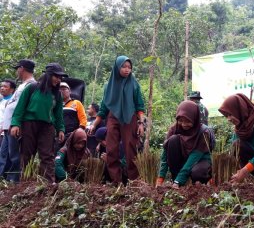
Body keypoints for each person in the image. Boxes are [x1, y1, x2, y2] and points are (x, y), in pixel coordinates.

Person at [89, 55, 146, 184]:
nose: (127, 70)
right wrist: (94, 124)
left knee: (130, 150)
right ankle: (116, 181)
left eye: (129, 67)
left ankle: (134, 182)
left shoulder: (134, 84)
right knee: (111, 150)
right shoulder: (108, 86)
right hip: (113, 118)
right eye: (124, 67)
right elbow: (104, 107)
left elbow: (139, 105)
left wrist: (141, 123)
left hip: (129, 118)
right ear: (117, 67)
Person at [10, 63, 67, 183]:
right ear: (48, 75)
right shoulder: (32, 88)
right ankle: (25, 183)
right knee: (27, 155)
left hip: (47, 126)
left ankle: (49, 184)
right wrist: (15, 124)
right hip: (29, 124)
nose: (59, 79)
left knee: (47, 155)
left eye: (60, 77)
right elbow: (20, 108)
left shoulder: (57, 94)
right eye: (56, 76)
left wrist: (60, 129)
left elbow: (58, 114)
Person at [156, 100, 212, 189]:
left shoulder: (203, 132)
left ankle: (198, 186)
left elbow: (194, 157)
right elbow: (165, 155)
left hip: (199, 160)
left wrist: (179, 180)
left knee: (198, 173)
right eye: (181, 121)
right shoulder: (174, 129)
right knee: (173, 140)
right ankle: (175, 179)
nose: (184, 124)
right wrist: (160, 178)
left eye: (188, 121)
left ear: (195, 118)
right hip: (182, 160)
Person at [0, 59, 36, 182]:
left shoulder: (31, 85)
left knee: (15, 155)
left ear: (22, 69)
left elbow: (23, 106)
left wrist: (18, 124)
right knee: (5, 154)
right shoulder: (22, 84)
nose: (17, 72)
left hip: (15, 125)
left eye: (17, 69)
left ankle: (13, 181)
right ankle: (3, 179)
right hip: (8, 125)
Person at [59, 82, 87, 146]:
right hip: (59, 134)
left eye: (64, 89)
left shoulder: (76, 103)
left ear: (70, 91)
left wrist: (80, 130)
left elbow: (83, 118)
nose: (62, 91)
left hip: (72, 134)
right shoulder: (57, 105)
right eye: (60, 89)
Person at [0, 79, 16, 145]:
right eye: (1, 86)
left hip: (4, 133)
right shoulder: (1, 100)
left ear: (12, 90)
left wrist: (2, 129)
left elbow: (10, 117)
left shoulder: (12, 102)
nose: (2, 88)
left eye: (5, 86)